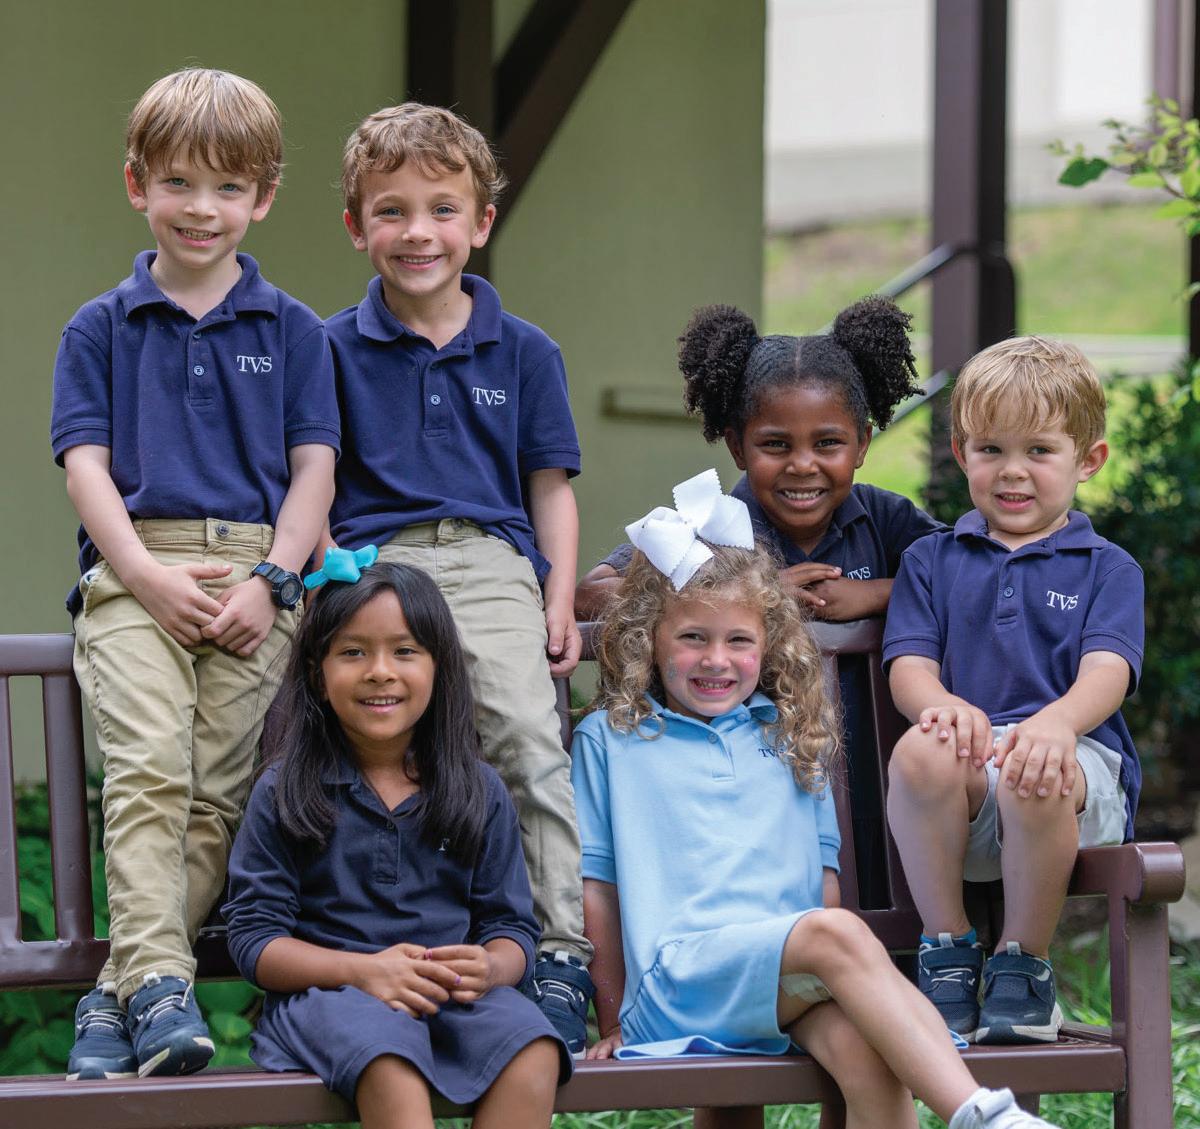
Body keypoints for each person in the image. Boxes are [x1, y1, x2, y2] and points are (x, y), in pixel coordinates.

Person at [571, 472, 1063, 1129]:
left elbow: (823, 879)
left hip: (785, 977)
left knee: (868, 1055)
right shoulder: (612, 739)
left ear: (768, 643)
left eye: (739, 640)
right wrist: (611, 1018)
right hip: (677, 984)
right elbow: (597, 889)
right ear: (649, 637)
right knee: (833, 932)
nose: (716, 659)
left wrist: (836, 975)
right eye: (692, 637)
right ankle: (980, 1111)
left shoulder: (789, 733)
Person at [51, 68, 338, 1079]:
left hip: (255, 579)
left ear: (263, 197)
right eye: (178, 182)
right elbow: (85, 466)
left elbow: (315, 469)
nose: (201, 207)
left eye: (228, 187)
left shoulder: (295, 329)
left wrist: (275, 580)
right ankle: (165, 988)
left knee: (216, 796)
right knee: (149, 774)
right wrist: (139, 571)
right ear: (138, 184)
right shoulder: (100, 326)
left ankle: (115, 997)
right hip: (138, 571)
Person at [324, 102, 593, 1050]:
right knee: (379, 746)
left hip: (487, 556)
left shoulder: (526, 350)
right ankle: (357, 947)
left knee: (525, 733)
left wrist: (558, 594)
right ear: (356, 226)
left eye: (443, 209)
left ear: (481, 221)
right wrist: (327, 570)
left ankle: (558, 950)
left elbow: (549, 488)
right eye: (391, 211)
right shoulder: (328, 347)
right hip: (374, 561)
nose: (418, 232)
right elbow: (313, 475)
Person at [576, 299, 943, 904]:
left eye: (828, 442)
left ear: (863, 442)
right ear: (736, 446)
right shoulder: (709, 525)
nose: (803, 465)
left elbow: (972, 581)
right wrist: (746, 593)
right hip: (751, 800)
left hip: (880, 783)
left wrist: (874, 593)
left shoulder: (887, 520)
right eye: (775, 444)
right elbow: (591, 593)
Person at [223, 558, 570, 1129]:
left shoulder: (478, 789)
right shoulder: (285, 790)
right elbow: (255, 941)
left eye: (405, 651)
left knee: (535, 1051)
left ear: (440, 669)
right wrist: (363, 972)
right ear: (317, 674)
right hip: (331, 996)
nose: (380, 672)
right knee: (389, 1060)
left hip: (449, 997)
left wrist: (489, 966)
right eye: (353, 652)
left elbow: (510, 927)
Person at [883, 336, 1141, 1044]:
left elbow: (1108, 672)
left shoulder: (1108, 568)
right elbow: (909, 667)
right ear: (961, 453)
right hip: (968, 786)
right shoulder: (930, 560)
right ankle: (947, 949)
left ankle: (1024, 963)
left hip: (1076, 769)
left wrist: (1057, 723)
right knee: (919, 751)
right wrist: (942, 706)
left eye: (1040, 450)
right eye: (991, 449)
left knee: (1037, 766)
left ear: (1089, 459)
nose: (1012, 470)